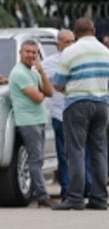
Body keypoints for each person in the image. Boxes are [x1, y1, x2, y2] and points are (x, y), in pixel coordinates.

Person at [52, 18, 109, 210]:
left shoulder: (70, 52)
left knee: (76, 151)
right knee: (99, 151)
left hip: (77, 104)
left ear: (75, 34)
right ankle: (100, 198)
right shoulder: (105, 51)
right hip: (102, 105)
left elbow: (58, 83)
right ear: (93, 31)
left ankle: (75, 198)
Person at [8, 39, 55, 207]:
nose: (31, 55)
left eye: (34, 52)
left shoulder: (34, 72)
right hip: (28, 121)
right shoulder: (19, 72)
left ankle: (41, 194)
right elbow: (37, 98)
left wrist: (42, 72)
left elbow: (49, 92)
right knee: (35, 160)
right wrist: (41, 92)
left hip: (39, 120)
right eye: (27, 52)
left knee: (38, 159)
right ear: (20, 53)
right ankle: (42, 197)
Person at [41, 29, 80, 199]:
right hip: (60, 114)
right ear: (59, 44)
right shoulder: (50, 63)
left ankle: (84, 188)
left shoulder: (81, 60)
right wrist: (7, 79)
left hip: (80, 113)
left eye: (73, 41)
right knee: (64, 155)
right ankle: (67, 189)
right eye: (67, 42)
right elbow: (32, 76)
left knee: (82, 153)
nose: (71, 45)